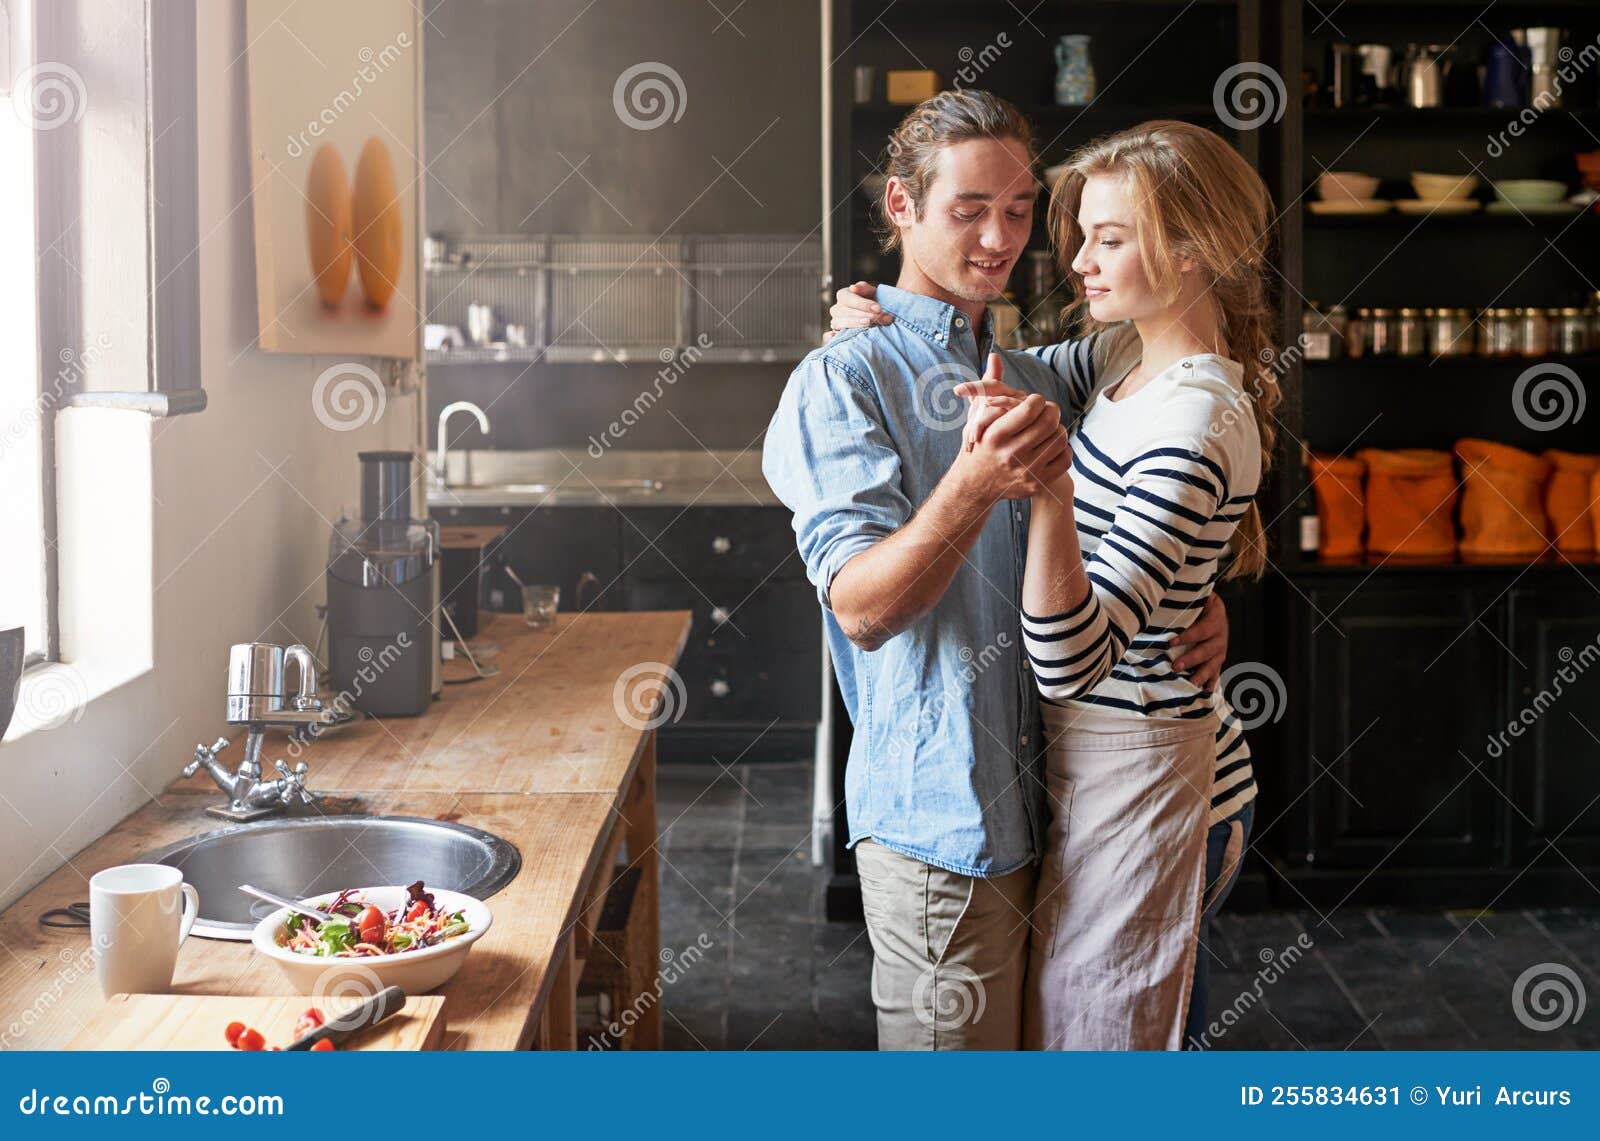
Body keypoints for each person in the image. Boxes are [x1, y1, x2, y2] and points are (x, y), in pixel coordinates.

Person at [761, 90, 1232, 1050]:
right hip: (944, 836)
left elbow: (1182, 336)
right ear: (900, 206)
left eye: (1019, 210)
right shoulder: (843, 378)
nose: (999, 238)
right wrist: (973, 486)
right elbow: (860, 609)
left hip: (1062, 818)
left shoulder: (1040, 373)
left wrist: (1194, 587)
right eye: (968, 210)